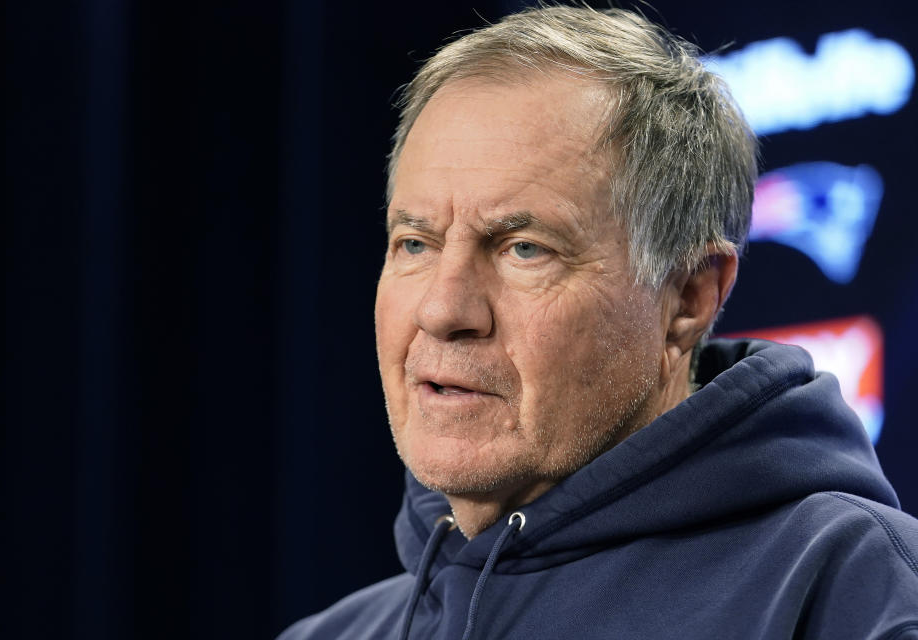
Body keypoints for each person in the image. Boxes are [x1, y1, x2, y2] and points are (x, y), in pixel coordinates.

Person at [280, 6, 918, 639]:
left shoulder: (852, 593)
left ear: (688, 298)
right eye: (415, 244)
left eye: (524, 248)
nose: (443, 311)